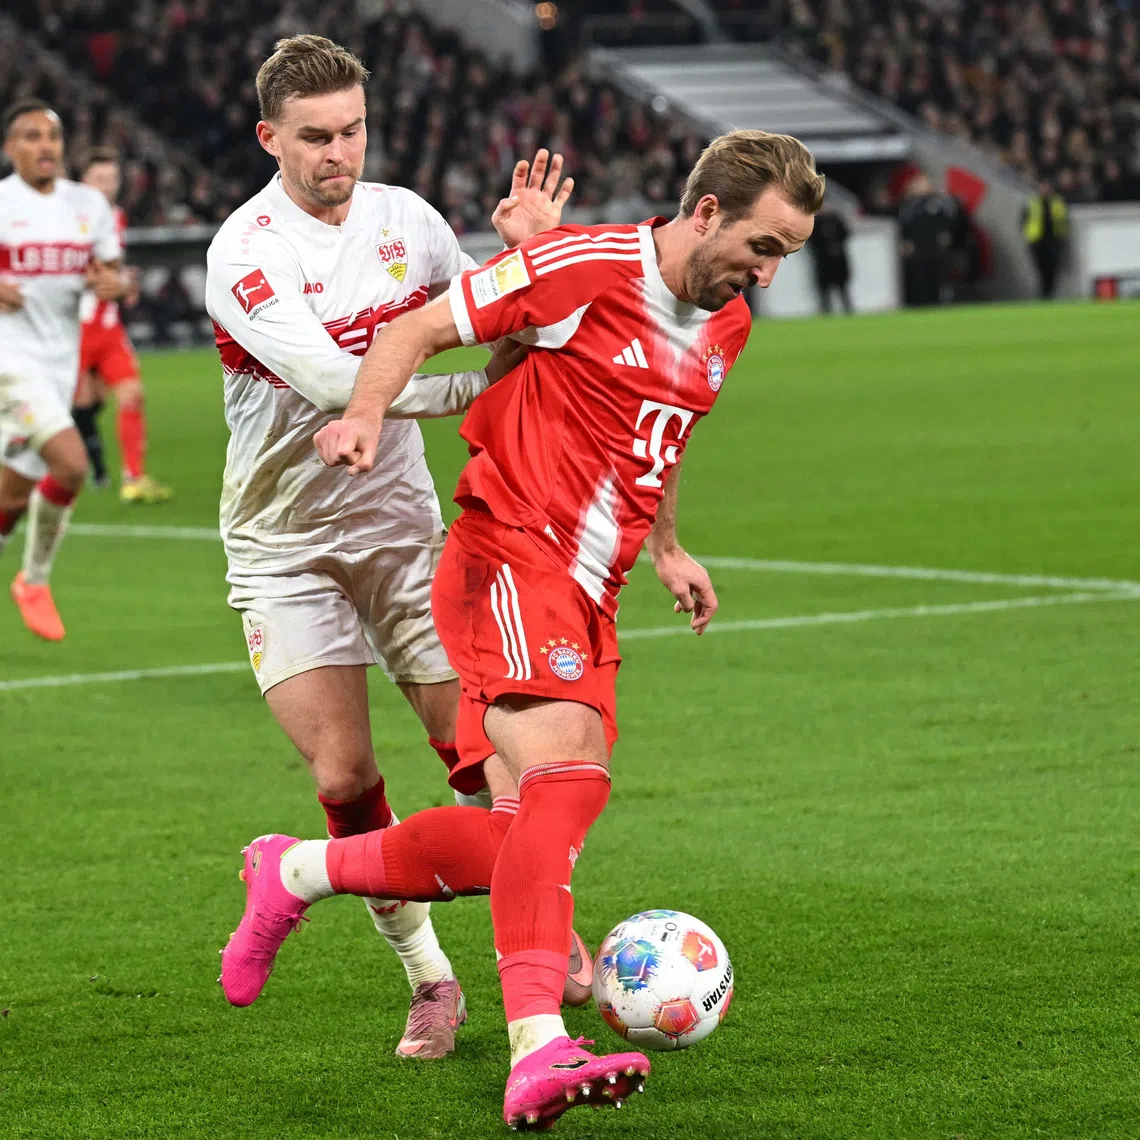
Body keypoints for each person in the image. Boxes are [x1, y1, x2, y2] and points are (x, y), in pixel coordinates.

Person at [222, 128, 824, 1129]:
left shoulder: (726, 325)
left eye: (786, 257)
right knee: (570, 776)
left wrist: (669, 549)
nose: (766, 274)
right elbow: (412, 332)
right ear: (707, 212)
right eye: (763, 247)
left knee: (519, 838)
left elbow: (657, 435)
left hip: (593, 589)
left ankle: (294, 869)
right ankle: (537, 1048)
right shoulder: (582, 266)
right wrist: (369, 416)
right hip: (510, 552)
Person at [204, 35, 580, 1060]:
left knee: (488, 768)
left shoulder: (407, 221)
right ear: (269, 136)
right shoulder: (246, 251)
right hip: (284, 545)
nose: (340, 153)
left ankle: (546, 959)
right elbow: (338, 386)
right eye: (316, 137)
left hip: (405, 532)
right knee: (345, 775)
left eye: (354, 130)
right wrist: (476, 386)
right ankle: (431, 982)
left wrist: (525, 258)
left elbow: (500, 318)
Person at [0, 99, 130, 640]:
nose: (44, 145)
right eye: (30, 136)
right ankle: (35, 580)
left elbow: (115, 273)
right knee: (71, 464)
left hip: (58, 360)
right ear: (11, 149)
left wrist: (116, 284)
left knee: (10, 494)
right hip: (7, 359)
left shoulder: (88, 206)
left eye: (51, 135)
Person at [72, 146, 172, 503]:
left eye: (112, 179)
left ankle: (133, 478)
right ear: (83, 182)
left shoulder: (116, 217)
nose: (107, 186)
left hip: (109, 329)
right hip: (74, 330)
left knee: (131, 395)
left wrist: (124, 283)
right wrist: (114, 282)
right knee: (68, 408)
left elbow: (110, 271)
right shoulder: (69, 219)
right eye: (99, 179)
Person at [898, 173, 955, 306]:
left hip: (936, 250)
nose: (921, 186)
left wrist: (947, 235)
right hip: (917, 252)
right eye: (917, 184)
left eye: (923, 183)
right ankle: (920, 305)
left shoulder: (939, 202)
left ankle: (940, 304)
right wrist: (905, 242)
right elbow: (903, 225)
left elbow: (951, 219)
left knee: (938, 280)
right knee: (919, 282)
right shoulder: (908, 205)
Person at [1022, 179, 1068, 299]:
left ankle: (1048, 295)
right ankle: (1044, 295)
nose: (1045, 190)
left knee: (1052, 270)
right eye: (1043, 187)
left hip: (1054, 241)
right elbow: (1024, 220)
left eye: (1047, 187)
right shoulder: (1033, 202)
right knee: (1041, 270)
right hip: (1037, 242)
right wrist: (1028, 237)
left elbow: (1063, 220)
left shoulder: (1057, 202)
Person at [807, 195, 852, 313]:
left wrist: (837, 247)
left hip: (838, 260)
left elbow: (846, 234)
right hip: (823, 261)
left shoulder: (836, 219)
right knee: (824, 290)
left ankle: (848, 310)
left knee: (842, 287)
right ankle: (826, 311)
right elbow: (811, 241)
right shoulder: (814, 224)